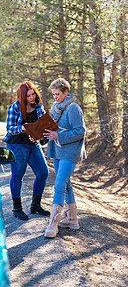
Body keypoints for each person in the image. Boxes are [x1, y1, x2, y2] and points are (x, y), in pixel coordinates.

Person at [43, 78, 86, 238]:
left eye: (58, 94)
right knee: (66, 184)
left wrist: (58, 135)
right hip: (57, 151)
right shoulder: (55, 107)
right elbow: (51, 128)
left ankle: (53, 223)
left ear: (66, 92)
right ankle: (72, 220)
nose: (55, 97)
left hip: (70, 152)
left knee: (60, 184)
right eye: (53, 94)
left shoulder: (73, 108)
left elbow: (80, 131)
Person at [3, 81, 50, 220]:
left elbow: (42, 126)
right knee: (18, 174)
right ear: (22, 97)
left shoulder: (38, 107)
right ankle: (17, 208)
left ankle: (35, 205)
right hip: (16, 144)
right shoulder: (14, 108)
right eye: (29, 96)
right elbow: (10, 129)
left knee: (43, 172)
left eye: (33, 94)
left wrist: (38, 135)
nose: (32, 97)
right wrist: (23, 128)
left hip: (32, 144)